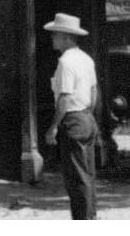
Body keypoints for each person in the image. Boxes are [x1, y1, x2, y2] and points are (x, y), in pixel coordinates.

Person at [42, 12, 100, 218]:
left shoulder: (66, 63)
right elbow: (94, 91)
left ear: (67, 37)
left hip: (73, 119)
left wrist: (54, 127)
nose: (52, 38)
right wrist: (88, 114)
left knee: (77, 177)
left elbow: (65, 97)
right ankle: (90, 216)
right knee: (88, 174)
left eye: (55, 35)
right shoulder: (86, 59)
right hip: (87, 117)